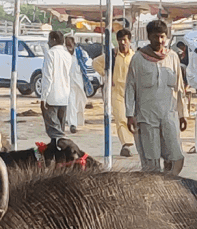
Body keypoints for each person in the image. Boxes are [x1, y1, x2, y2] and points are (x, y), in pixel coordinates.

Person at [125, 19, 187, 174]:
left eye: (162, 37)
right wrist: (129, 114)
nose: (159, 41)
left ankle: (169, 188)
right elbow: (130, 88)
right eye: (156, 37)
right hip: (146, 118)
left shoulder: (172, 57)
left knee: (176, 158)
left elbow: (179, 88)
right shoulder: (138, 58)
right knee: (151, 164)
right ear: (149, 37)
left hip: (169, 117)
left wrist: (182, 114)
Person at [93, 27, 135, 157]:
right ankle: (126, 144)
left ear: (129, 41)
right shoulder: (112, 55)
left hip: (132, 92)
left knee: (134, 119)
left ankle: (137, 142)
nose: (123, 43)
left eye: (125, 40)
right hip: (117, 92)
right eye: (120, 40)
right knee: (120, 118)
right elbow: (95, 63)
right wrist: (106, 75)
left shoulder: (135, 57)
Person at [40, 30, 71, 138]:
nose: (48, 43)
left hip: (52, 96)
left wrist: (43, 97)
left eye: (49, 40)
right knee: (60, 129)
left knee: (55, 132)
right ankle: (58, 153)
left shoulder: (50, 53)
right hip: (64, 96)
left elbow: (48, 77)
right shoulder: (67, 54)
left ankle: (64, 150)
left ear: (53, 40)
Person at [64, 35, 92, 133]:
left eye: (70, 43)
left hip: (79, 82)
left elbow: (86, 59)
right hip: (68, 83)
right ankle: (72, 124)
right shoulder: (64, 54)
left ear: (74, 44)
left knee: (81, 102)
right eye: (67, 44)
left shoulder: (79, 53)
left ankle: (77, 121)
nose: (68, 46)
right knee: (71, 103)